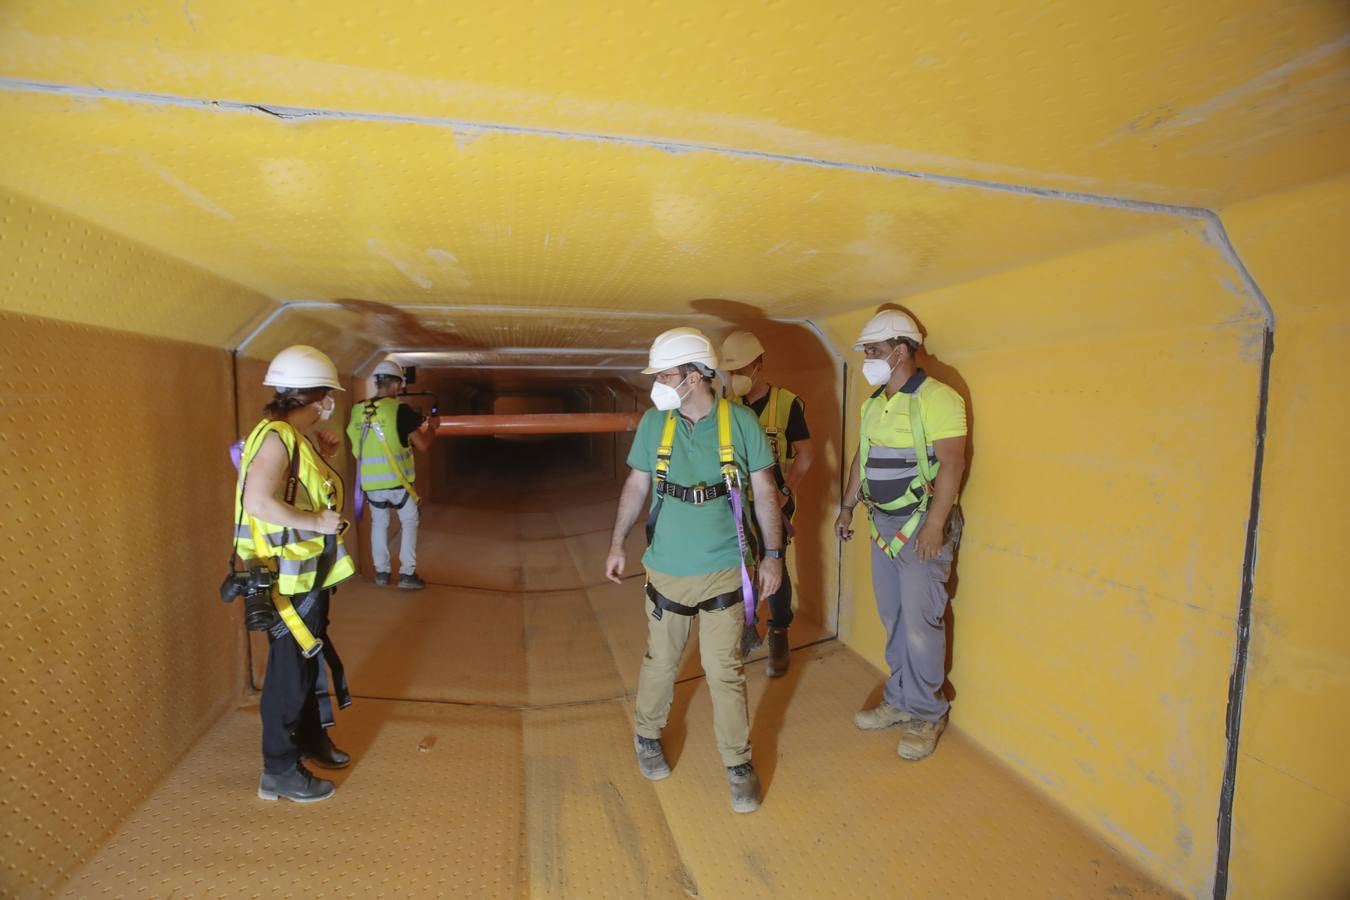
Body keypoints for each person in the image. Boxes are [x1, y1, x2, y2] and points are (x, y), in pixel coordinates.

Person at [605, 327, 784, 813]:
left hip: (726, 569)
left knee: (723, 670)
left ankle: (737, 763)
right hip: (666, 572)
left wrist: (773, 555)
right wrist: (618, 541)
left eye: (664, 373)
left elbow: (766, 492)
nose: (657, 383)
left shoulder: (741, 423)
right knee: (661, 662)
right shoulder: (653, 424)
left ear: (694, 375)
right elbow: (637, 486)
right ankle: (646, 735)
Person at [835, 310, 967, 761]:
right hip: (883, 525)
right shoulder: (873, 403)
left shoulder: (939, 398)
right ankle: (899, 698)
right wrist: (847, 506)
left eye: (873, 350)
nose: (868, 359)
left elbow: (952, 463)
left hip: (921, 526)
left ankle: (928, 714)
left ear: (901, 350)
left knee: (920, 623)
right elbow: (862, 456)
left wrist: (934, 525)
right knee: (893, 617)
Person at [234, 345, 357, 802]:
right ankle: (279, 769)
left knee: (304, 665)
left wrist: (323, 455)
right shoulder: (276, 438)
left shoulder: (291, 436)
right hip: (286, 580)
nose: (330, 405)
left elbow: (305, 491)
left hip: (304, 576)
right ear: (318, 398)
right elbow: (258, 502)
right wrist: (316, 524)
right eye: (328, 397)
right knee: (290, 673)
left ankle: (308, 739)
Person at [720, 330, 815, 677]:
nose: (736, 377)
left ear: (760, 365)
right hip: (735, 501)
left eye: (742, 368)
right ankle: (746, 626)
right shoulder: (724, 404)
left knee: (773, 563)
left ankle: (778, 630)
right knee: (739, 566)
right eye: (731, 371)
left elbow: (805, 456)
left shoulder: (787, 404)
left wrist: (786, 491)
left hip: (773, 501)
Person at [346, 359, 438, 590]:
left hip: (371, 483)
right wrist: (434, 428)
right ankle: (407, 574)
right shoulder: (400, 410)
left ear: (377, 382)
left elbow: (356, 448)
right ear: (397, 384)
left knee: (379, 524)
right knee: (409, 522)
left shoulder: (358, 410)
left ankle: (382, 573)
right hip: (399, 483)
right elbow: (423, 444)